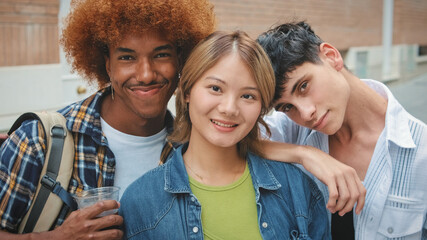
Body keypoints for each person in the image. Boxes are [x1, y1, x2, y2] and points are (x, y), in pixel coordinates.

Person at [0, 0, 215, 238]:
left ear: (180, 61)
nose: (145, 74)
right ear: (107, 64)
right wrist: (57, 237)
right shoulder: (39, 141)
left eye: (161, 54)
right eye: (127, 58)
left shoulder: (192, 149)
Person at [119, 31, 331, 239]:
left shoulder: (297, 189)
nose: (230, 109)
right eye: (216, 88)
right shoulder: (139, 202)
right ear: (187, 92)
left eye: (248, 96)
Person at [257, 21, 427, 239]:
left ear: (331, 56)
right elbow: (230, 139)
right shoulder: (292, 132)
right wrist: (305, 154)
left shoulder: (421, 151)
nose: (306, 113)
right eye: (287, 107)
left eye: (303, 86)